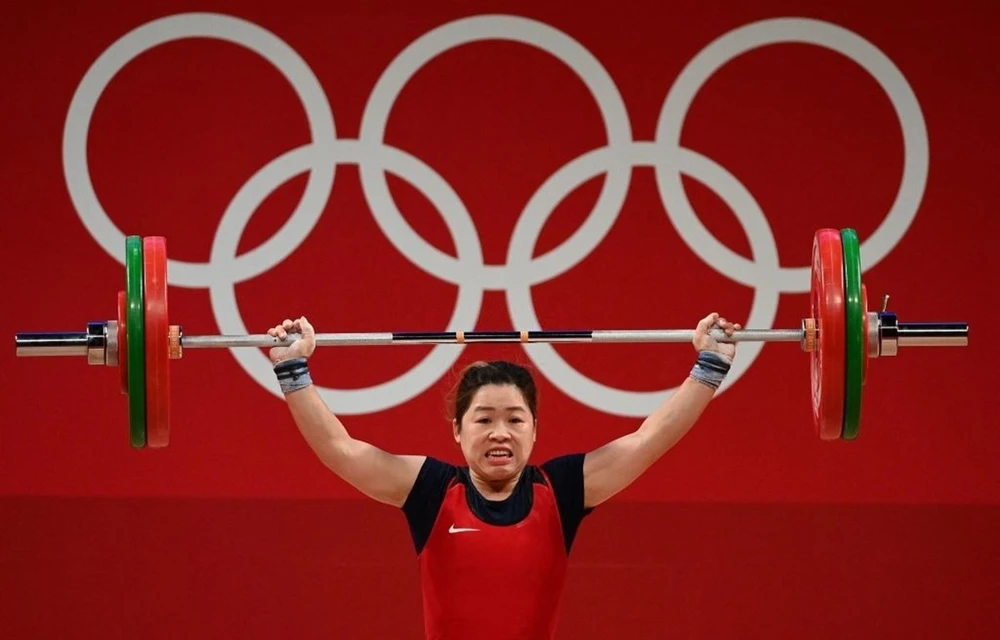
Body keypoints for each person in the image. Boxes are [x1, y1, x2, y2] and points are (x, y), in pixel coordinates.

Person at [267, 312, 740, 640]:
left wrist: (710, 365)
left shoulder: (561, 491)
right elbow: (340, 449)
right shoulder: (432, 490)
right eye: (484, 419)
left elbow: (647, 440)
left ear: (535, 431)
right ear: (457, 430)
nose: (501, 433)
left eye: (515, 419)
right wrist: (293, 371)